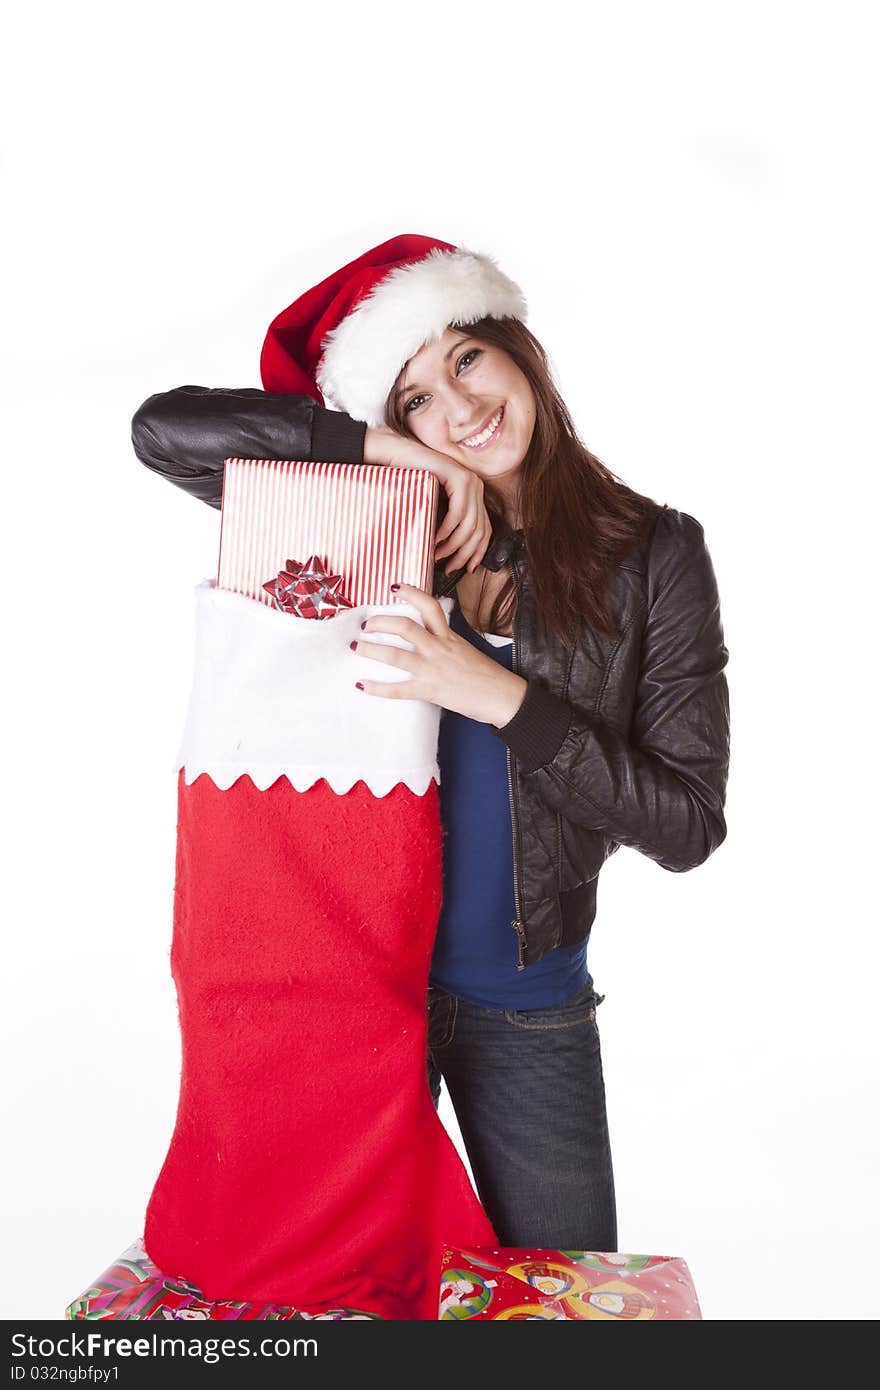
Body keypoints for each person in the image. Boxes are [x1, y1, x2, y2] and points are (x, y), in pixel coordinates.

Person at [131, 233, 731, 1254]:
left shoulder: (655, 553)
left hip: (526, 1011)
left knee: (564, 1305)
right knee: (337, 1290)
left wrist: (498, 693)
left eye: (467, 359)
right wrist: (385, 457)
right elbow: (162, 433)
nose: (459, 408)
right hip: (348, 996)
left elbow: (685, 824)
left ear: (518, 352)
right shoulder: (356, 519)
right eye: (413, 399)